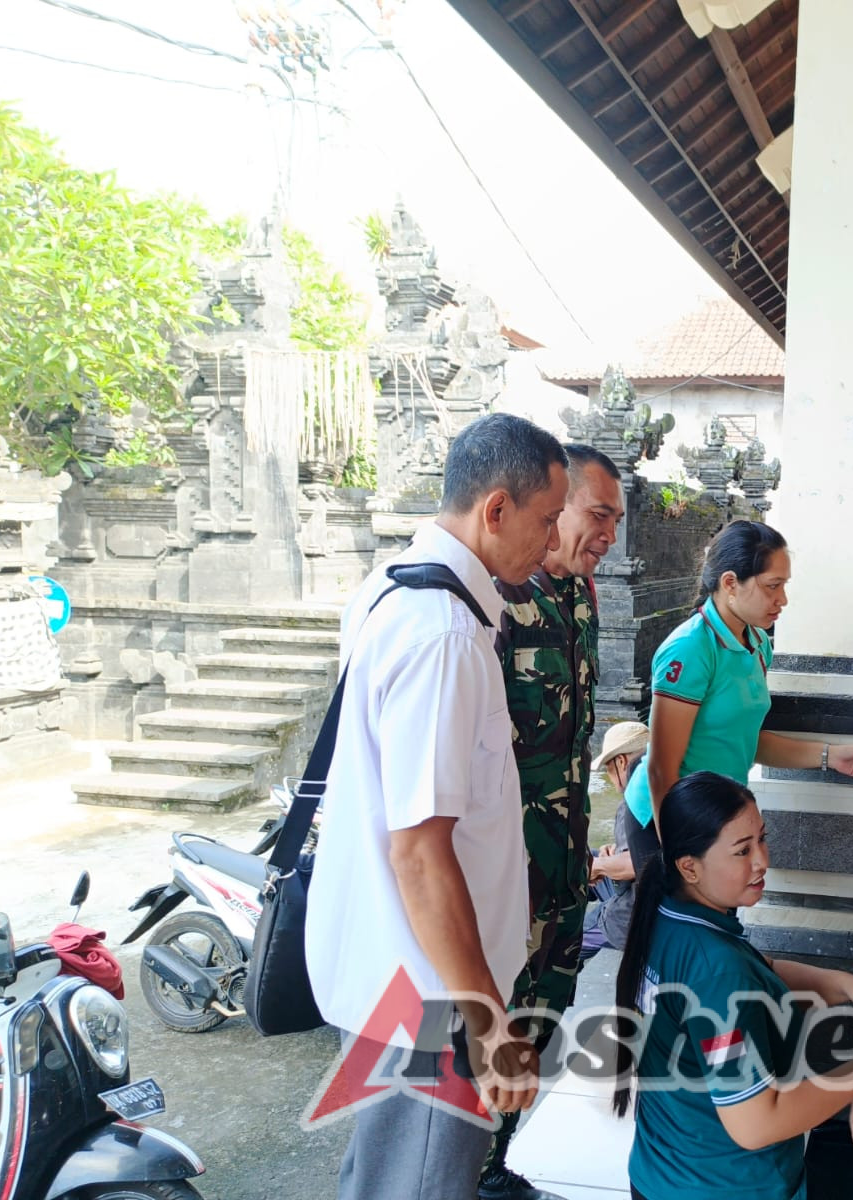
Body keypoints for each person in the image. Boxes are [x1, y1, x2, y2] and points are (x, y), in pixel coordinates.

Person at [304, 413, 570, 1200]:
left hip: (409, 972)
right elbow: (419, 850)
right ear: (495, 510)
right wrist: (487, 1021)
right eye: (546, 520)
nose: (551, 544)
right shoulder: (443, 634)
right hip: (433, 992)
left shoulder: (393, 591)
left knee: (388, 1175)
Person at [614, 770, 853, 1200]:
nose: (762, 861)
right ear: (689, 866)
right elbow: (756, 1124)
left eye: (762, 840)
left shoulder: (666, 913)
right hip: (727, 1186)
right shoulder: (718, 972)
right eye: (742, 851)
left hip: (662, 1173)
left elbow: (754, 967)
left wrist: (838, 983)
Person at [478, 443, 626, 1199]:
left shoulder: (581, 599)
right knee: (490, 1031)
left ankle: (501, 1163)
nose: (608, 535)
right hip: (509, 875)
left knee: (544, 1019)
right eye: (597, 515)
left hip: (566, 868)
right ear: (554, 505)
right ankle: (465, 1168)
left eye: (616, 521)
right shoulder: (499, 600)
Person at [621, 521, 853, 853]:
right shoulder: (690, 649)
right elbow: (661, 768)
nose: (782, 599)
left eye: (784, 585)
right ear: (730, 583)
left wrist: (832, 756)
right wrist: (676, 852)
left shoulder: (757, 643)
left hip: (720, 815)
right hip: (668, 817)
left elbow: (744, 740)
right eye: (772, 586)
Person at [580, 720, 649, 963]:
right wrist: (614, 853)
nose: (610, 778)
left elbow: (636, 864)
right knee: (587, 859)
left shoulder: (636, 801)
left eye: (609, 769)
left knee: (571, 944)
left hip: (636, 912)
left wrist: (597, 867)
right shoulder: (659, 786)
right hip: (645, 894)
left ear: (621, 762)